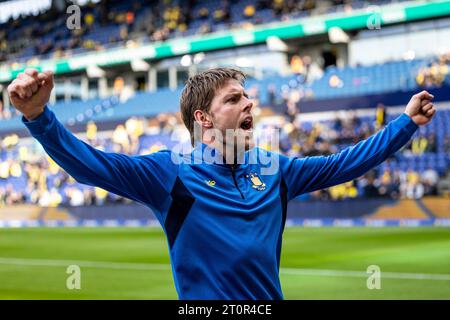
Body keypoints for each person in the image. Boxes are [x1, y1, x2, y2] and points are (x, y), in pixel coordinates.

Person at [7, 67, 436, 300]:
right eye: (234, 98)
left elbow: (343, 163)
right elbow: (91, 165)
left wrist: (405, 124)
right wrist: (39, 118)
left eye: (246, 96)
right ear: (203, 118)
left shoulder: (275, 169)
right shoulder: (169, 173)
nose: (249, 103)